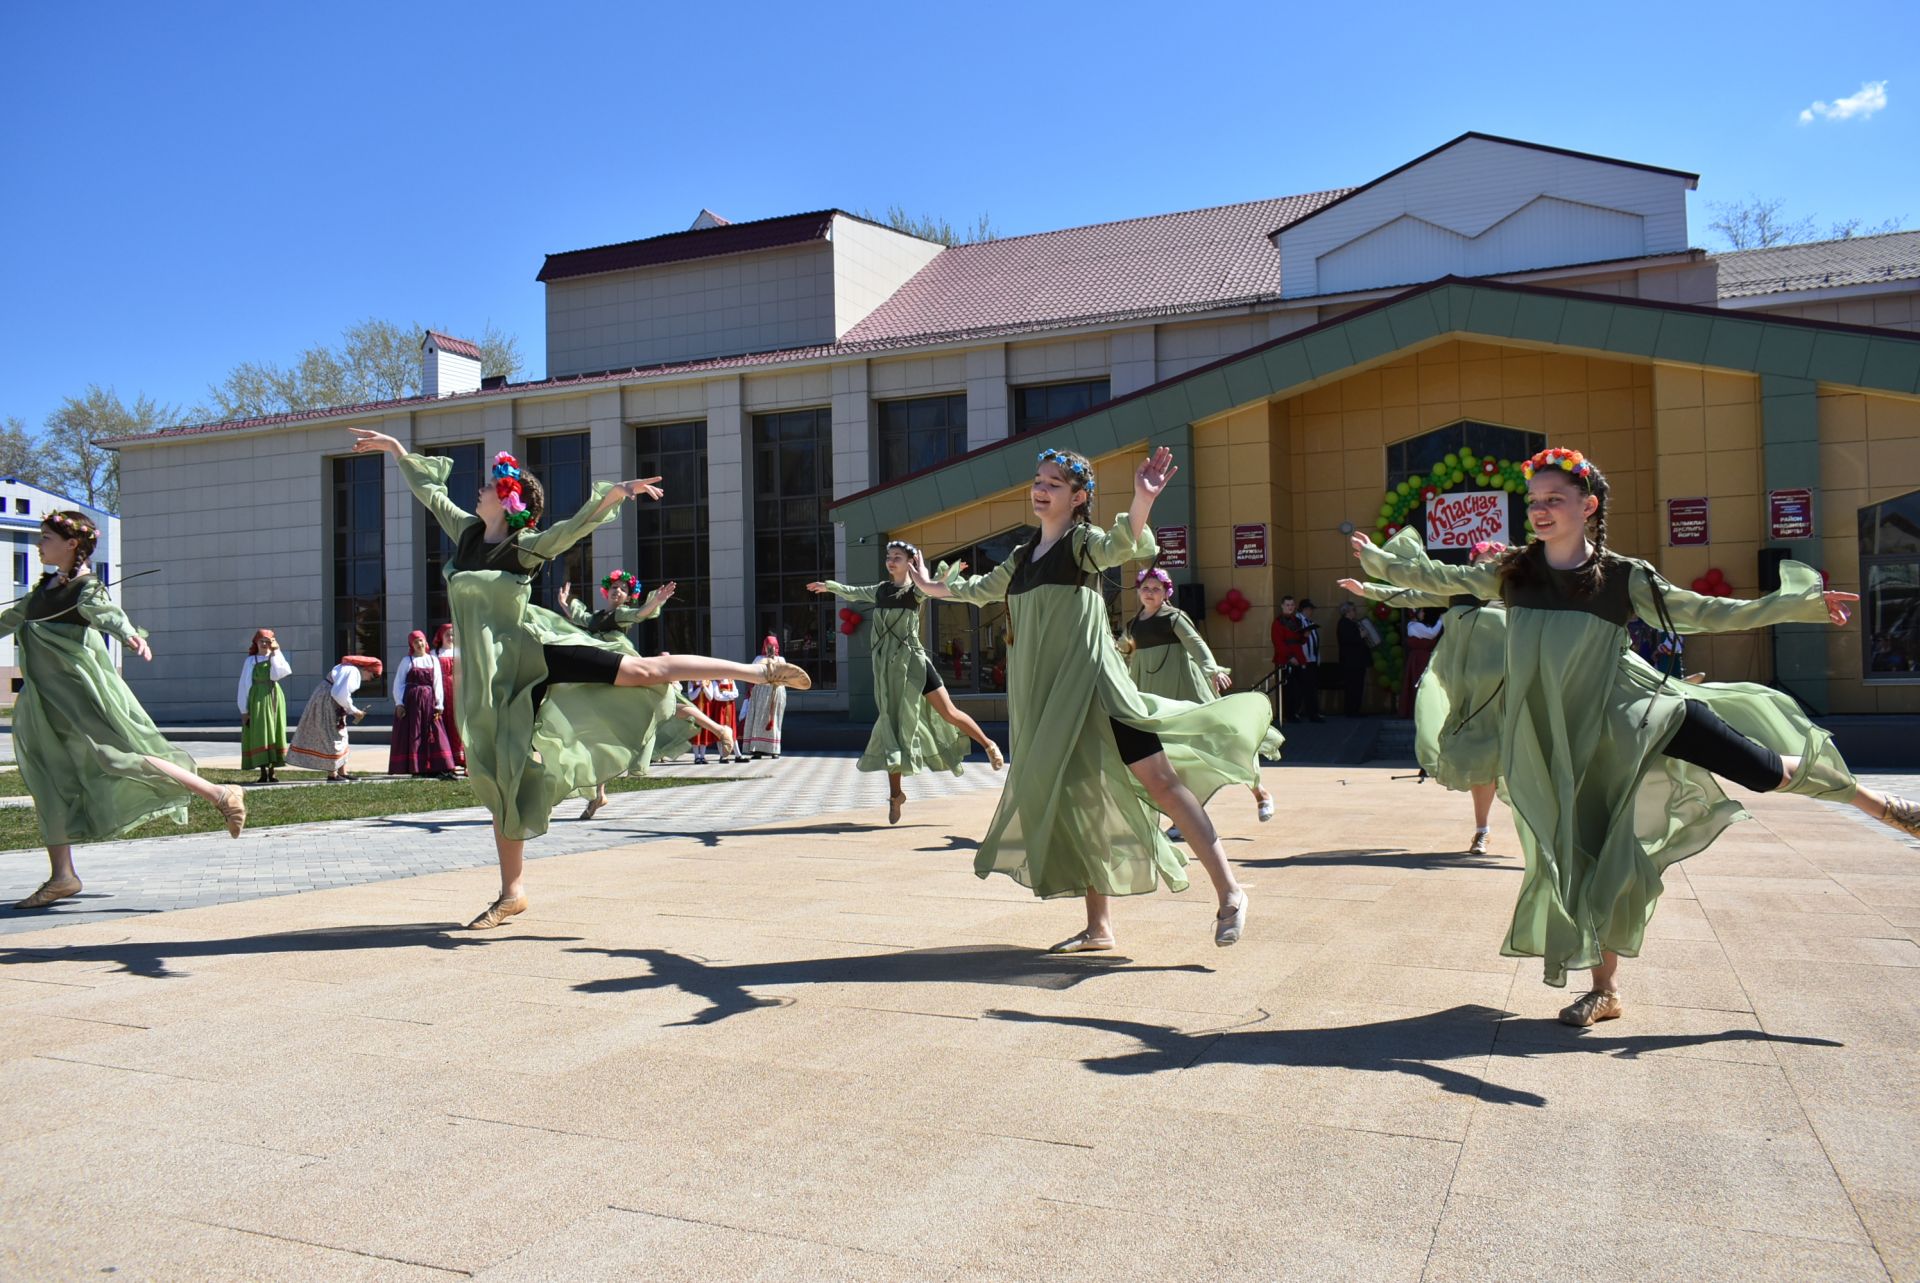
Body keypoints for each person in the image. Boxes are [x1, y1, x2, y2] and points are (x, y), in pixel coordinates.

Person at [1350, 445, 1920, 1027]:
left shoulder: (1622, 577)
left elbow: (1705, 611)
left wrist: (1792, 606)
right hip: (1574, 742)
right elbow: (1439, 578)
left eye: (1555, 500)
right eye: (1535, 500)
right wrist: (1379, 565)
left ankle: (1878, 804)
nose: (1540, 510)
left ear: (1588, 505)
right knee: (1590, 856)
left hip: (1642, 711)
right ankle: (1606, 991)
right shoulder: (1515, 571)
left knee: (1762, 769)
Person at [352, 427, 812, 931]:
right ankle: (513, 893)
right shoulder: (465, 533)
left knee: (643, 670)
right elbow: (430, 494)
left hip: (534, 651)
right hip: (493, 678)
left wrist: (615, 494)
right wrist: (397, 450)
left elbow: (570, 529)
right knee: (499, 774)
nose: (480, 489)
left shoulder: (525, 549)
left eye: (491, 485)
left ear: (510, 501)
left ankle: (759, 671)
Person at [909, 446, 1281, 952]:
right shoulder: (1020, 559)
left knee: (1163, 782)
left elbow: (1124, 543)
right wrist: (928, 585)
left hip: (1098, 688)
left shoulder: (1084, 544)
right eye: (1038, 480)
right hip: (1051, 701)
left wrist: (1142, 499)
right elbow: (976, 590)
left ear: (1079, 497)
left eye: (1054, 483)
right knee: (1080, 799)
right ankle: (1099, 927)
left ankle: (1230, 892)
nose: (1041, 489)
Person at [4, 512, 248, 910]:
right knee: (47, 779)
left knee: (116, 756)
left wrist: (130, 635)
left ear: (71, 544)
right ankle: (63, 876)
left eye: (46, 537)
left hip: (76, 698)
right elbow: (11, 619)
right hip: (41, 704)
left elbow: (108, 615)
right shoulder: (44, 588)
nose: (38, 545)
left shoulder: (86, 588)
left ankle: (221, 794)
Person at [811, 542, 1005, 824]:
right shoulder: (880, 590)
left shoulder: (916, 590)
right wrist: (829, 586)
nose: (890, 562)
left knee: (948, 712)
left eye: (897, 558)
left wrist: (949, 573)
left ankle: (988, 745)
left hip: (914, 664)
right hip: (889, 668)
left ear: (910, 562)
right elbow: (852, 592)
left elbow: (937, 584)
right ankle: (895, 796)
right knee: (892, 724)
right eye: (889, 557)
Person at [1340, 539, 1509, 855]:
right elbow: (1410, 592)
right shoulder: (1455, 585)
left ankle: (1544, 836)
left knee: (1527, 757)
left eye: (1497, 556)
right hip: (1473, 689)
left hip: (1513, 685)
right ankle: (1482, 830)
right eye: (1484, 556)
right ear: (1473, 560)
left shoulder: (1518, 589)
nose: (1491, 560)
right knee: (1480, 758)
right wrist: (1366, 589)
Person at [557, 573, 737, 818]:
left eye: (622, 589)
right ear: (605, 591)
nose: (616, 591)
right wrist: (565, 602)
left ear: (629, 596)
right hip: (603, 675)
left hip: (624, 667)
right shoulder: (595, 617)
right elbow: (580, 617)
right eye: (613, 587)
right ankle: (598, 793)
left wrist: (656, 601)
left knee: (668, 703)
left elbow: (639, 614)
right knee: (600, 732)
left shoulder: (619, 615)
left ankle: (719, 729)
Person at [1122, 565, 1272, 825]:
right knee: (1164, 759)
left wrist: (1212, 669)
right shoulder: (1133, 624)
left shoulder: (1174, 617)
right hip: (1150, 697)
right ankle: (1185, 820)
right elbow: (1123, 656)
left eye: (1156, 589)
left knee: (1224, 742)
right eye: (1145, 588)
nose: (1149, 593)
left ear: (1166, 592)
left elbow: (1197, 644)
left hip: (1184, 692)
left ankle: (1260, 792)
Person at [288, 655, 380, 780]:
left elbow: (341, 694)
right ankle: (332, 774)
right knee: (333, 735)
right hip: (328, 702)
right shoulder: (352, 671)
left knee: (341, 734)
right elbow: (339, 694)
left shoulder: (349, 669)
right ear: (367, 669)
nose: (371, 679)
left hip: (330, 701)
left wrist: (349, 709)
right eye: (373, 675)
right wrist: (354, 711)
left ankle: (342, 771)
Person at [389, 630, 458, 777]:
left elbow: (437, 683)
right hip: (411, 702)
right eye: (415, 642)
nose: (419, 644)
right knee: (415, 733)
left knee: (435, 731)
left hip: (429, 701)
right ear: (411, 645)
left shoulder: (433, 660)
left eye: (421, 641)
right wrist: (399, 703)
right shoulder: (407, 661)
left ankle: (439, 766)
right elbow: (398, 684)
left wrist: (439, 704)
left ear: (425, 642)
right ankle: (416, 767)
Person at [238, 627, 292, 782]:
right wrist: (244, 709)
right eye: (261, 641)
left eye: (267, 641)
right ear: (256, 642)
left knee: (275, 729)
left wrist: (276, 652)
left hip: (274, 696)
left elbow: (281, 673)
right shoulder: (250, 660)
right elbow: (244, 684)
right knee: (260, 732)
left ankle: (272, 770)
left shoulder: (275, 658)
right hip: (257, 699)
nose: (264, 644)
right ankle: (262, 770)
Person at [742, 635, 789, 759]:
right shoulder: (758, 659)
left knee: (774, 719)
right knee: (759, 719)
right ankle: (757, 749)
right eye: (768, 646)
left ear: (776, 647)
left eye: (772, 646)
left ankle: (774, 749)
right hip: (760, 691)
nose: (770, 648)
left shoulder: (781, 660)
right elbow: (751, 674)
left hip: (776, 691)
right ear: (764, 646)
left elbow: (786, 676)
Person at [432, 623, 464, 772]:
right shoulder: (434, 654)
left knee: (459, 722)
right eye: (447, 635)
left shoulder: (461, 652)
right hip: (441, 691)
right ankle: (445, 757)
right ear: (441, 637)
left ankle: (461, 757)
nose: (450, 637)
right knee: (443, 722)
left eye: (453, 634)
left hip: (459, 690)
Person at [1270, 595, 1308, 721]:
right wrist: (1290, 657)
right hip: (1285, 658)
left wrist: (1305, 636)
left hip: (1298, 657)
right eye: (1287, 605)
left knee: (1300, 687)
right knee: (1289, 689)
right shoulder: (1278, 622)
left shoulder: (1297, 621)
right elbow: (1278, 643)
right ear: (1282, 606)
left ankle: (1296, 712)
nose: (1290, 607)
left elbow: (1299, 640)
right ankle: (1290, 715)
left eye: (1292, 605)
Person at [1335, 602, 1373, 717]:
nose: (1355, 612)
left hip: (1357, 661)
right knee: (1352, 686)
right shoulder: (1343, 624)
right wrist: (1360, 636)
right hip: (1351, 662)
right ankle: (1351, 710)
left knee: (1358, 686)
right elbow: (1347, 640)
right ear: (1347, 612)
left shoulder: (1352, 623)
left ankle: (1355, 709)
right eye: (1353, 610)